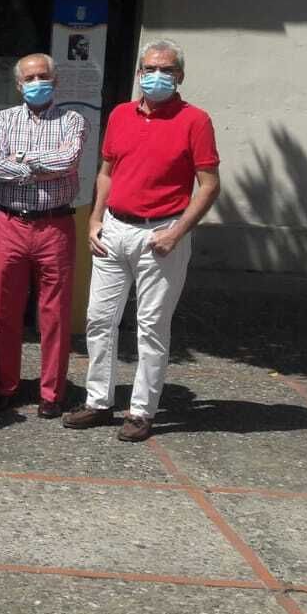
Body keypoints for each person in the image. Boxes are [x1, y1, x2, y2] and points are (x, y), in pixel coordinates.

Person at [63, 38, 220, 442]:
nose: (157, 76)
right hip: (114, 229)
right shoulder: (120, 114)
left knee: (151, 327)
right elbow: (107, 172)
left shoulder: (195, 120)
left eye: (166, 70)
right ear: (139, 73)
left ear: (180, 75)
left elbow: (209, 185)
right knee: (99, 319)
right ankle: (98, 401)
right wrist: (95, 218)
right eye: (150, 69)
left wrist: (178, 231)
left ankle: (141, 411)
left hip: (161, 233)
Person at [0, 54, 86, 418]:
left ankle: (51, 393)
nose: (36, 82)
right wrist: (42, 166)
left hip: (55, 225)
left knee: (55, 313)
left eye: (43, 76)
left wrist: (21, 160)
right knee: (2, 311)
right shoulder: (1, 119)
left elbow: (69, 160)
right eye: (29, 78)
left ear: (55, 82)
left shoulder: (72, 120)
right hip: (9, 224)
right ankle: (4, 385)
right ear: (18, 85)